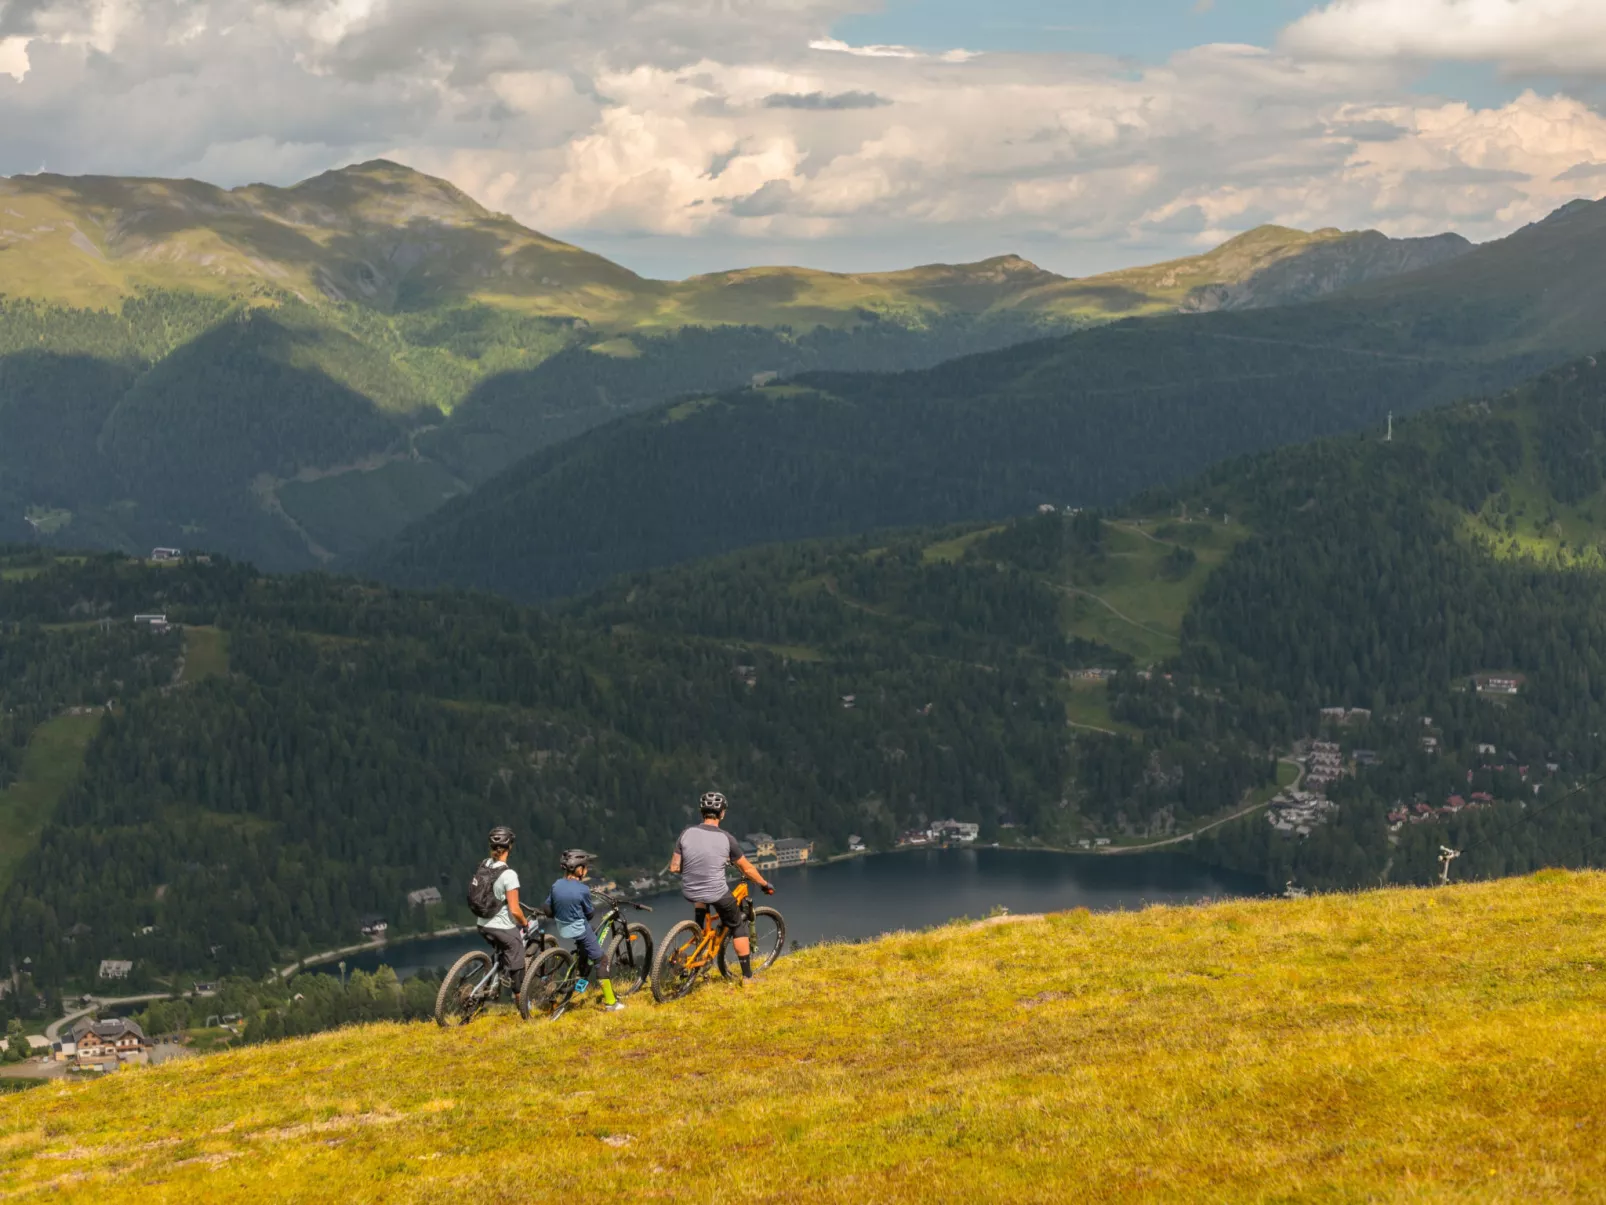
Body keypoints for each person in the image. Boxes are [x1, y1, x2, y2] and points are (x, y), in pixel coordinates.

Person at [668, 791, 774, 983]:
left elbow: (674, 867)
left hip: (690, 890)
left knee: (701, 900)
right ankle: (748, 978)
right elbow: (747, 869)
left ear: (702, 813)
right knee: (737, 925)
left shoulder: (686, 833)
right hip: (716, 893)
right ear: (722, 813)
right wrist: (765, 884)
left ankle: (699, 937)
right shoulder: (727, 839)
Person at [545, 849, 623, 1012]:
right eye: (585, 867)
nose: (586, 870)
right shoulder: (583, 890)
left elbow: (547, 909)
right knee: (601, 960)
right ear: (579, 869)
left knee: (591, 933)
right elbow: (589, 913)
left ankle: (582, 963)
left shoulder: (556, 885)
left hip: (561, 927)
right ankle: (611, 1003)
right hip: (578, 928)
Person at [475, 825, 536, 993]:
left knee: (503, 950)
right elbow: (515, 910)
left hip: (482, 923)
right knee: (517, 955)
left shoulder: (484, 865)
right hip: (500, 927)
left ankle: (494, 979)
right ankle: (521, 1000)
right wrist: (525, 924)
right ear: (509, 847)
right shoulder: (509, 875)